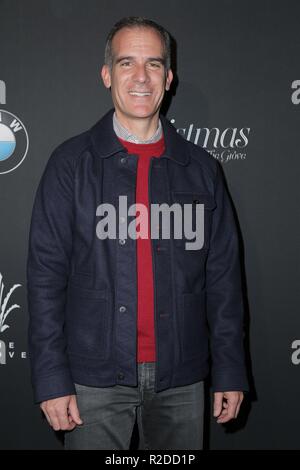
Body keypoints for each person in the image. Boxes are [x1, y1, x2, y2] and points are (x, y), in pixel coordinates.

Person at [27, 16, 248, 450]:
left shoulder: (201, 169)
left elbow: (224, 280)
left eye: (153, 64)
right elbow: (45, 277)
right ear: (107, 74)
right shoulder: (71, 164)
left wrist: (230, 367)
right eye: (127, 63)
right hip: (93, 380)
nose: (141, 77)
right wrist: (51, 377)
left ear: (169, 77)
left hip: (181, 378)